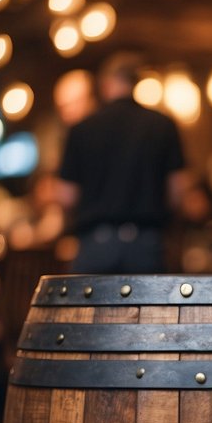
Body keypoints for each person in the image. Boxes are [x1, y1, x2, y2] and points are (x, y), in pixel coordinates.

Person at [56, 52, 189, 274]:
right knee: (149, 309)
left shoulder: (81, 129)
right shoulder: (163, 125)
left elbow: (66, 196)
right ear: (136, 82)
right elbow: (177, 192)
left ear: (106, 84)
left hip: (95, 244)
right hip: (147, 243)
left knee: (87, 309)